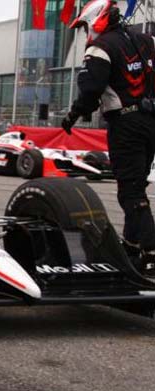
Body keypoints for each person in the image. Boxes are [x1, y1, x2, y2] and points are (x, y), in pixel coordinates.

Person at [62, 0, 155, 277]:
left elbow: (91, 90)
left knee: (130, 190)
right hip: (151, 122)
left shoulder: (100, 48)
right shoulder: (147, 40)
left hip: (126, 124)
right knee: (136, 185)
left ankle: (151, 253)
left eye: (83, 28)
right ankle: (132, 245)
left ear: (95, 20)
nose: (83, 34)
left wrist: (73, 115)